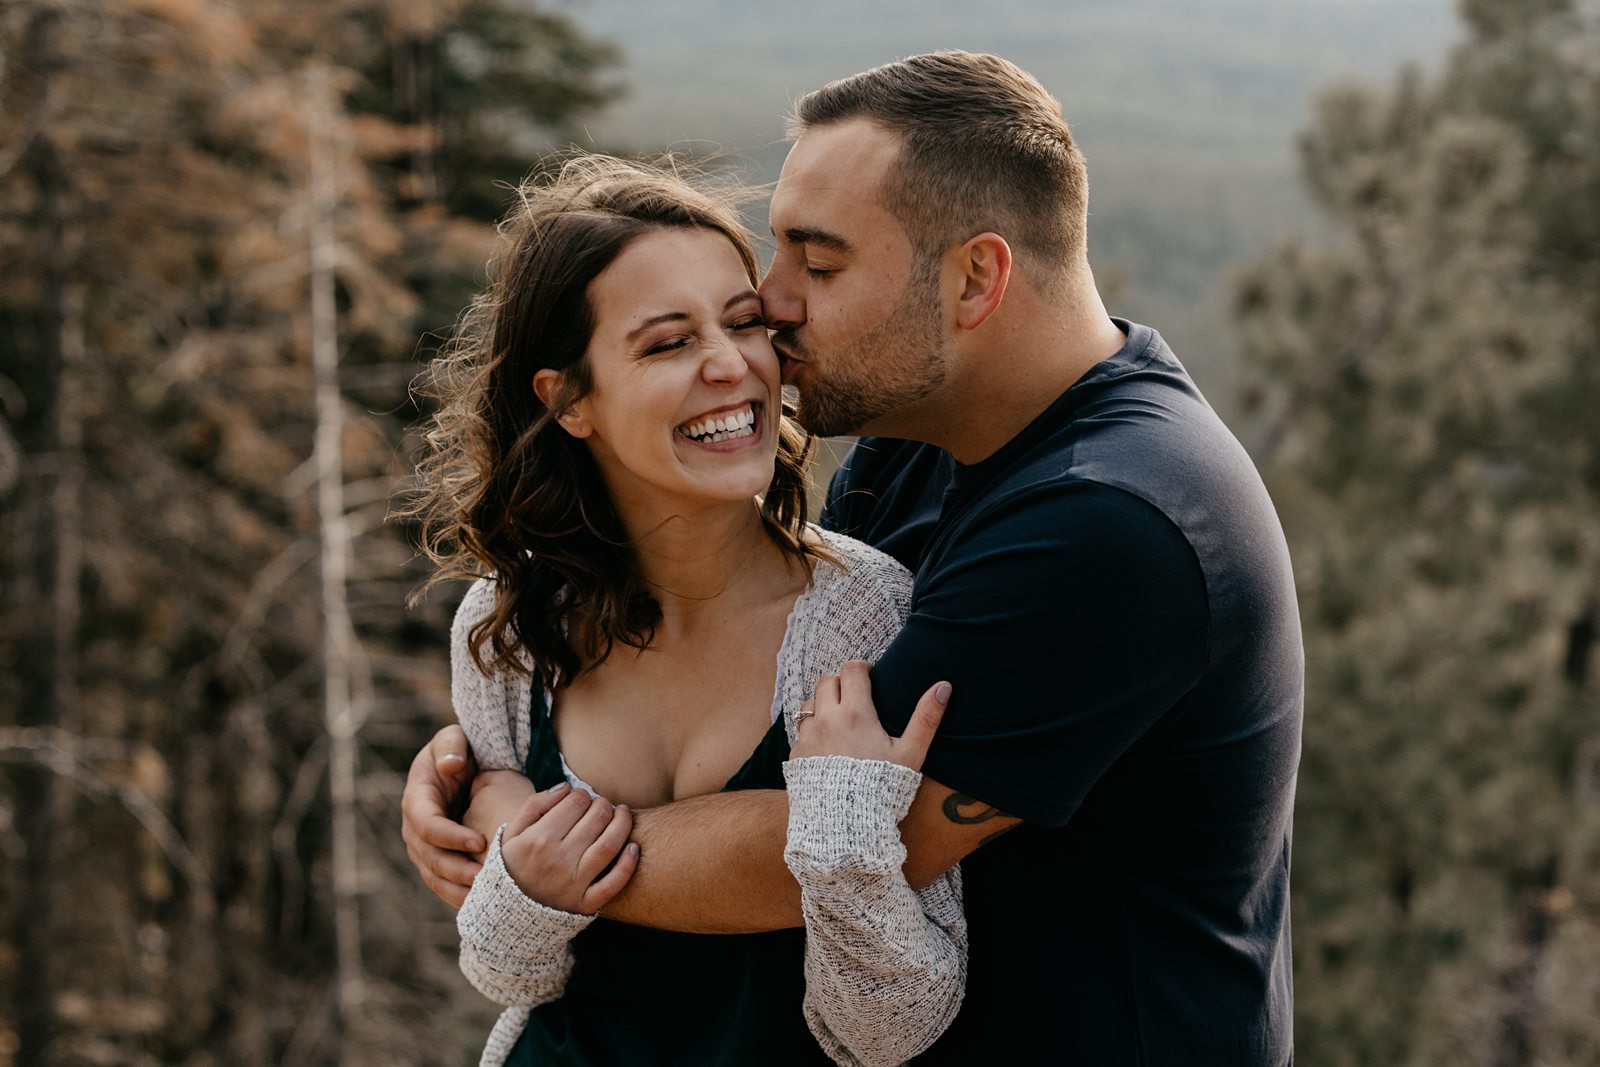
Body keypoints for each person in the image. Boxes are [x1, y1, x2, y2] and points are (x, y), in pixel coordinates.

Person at [405, 51, 1304, 1065]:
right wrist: (484, 762)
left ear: (976, 277)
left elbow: (821, 846)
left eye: (816, 262)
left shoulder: (1114, 521)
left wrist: (519, 827)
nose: (771, 304)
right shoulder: (914, 442)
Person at [403, 155, 966, 1066]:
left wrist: (844, 830)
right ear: (569, 401)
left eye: (743, 323)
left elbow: (893, 1024)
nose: (729, 365)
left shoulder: (869, 615)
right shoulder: (506, 633)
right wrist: (521, 884)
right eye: (667, 342)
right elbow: (510, 974)